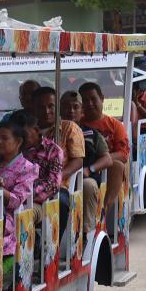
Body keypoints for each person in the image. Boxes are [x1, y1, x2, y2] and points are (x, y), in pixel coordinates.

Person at [0, 120, 38, 291]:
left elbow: (17, 200)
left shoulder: (28, 168)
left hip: (9, 217)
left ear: (18, 142)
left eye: (4, 138)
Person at [61, 90, 111, 234]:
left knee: (89, 185)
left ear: (82, 111)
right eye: (66, 107)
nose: (71, 111)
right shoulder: (54, 132)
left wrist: (90, 169)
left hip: (84, 178)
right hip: (61, 179)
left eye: (75, 107)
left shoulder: (92, 134)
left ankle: (85, 232)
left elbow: (107, 159)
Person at [78, 82, 129, 215]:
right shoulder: (77, 124)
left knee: (118, 165)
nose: (89, 103)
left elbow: (123, 154)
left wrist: (100, 161)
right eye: (85, 100)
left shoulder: (116, 125)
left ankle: (105, 208)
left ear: (102, 99)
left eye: (93, 99)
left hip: (104, 169)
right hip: (81, 167)